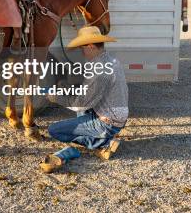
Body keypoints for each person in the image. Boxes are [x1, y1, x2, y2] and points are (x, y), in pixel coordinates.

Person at [39, 26, 128, 173]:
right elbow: (90, 92)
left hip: (107, 122)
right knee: (80, 113)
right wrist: (67, 87)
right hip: (114, 115)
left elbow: (80, 104)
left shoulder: (99, 69)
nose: (82, 51)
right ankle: (103, 139)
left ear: (91, 46)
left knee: (54, 130)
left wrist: (56, 98)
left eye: (83, 47)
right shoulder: (111, 60)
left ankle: (103, 143)